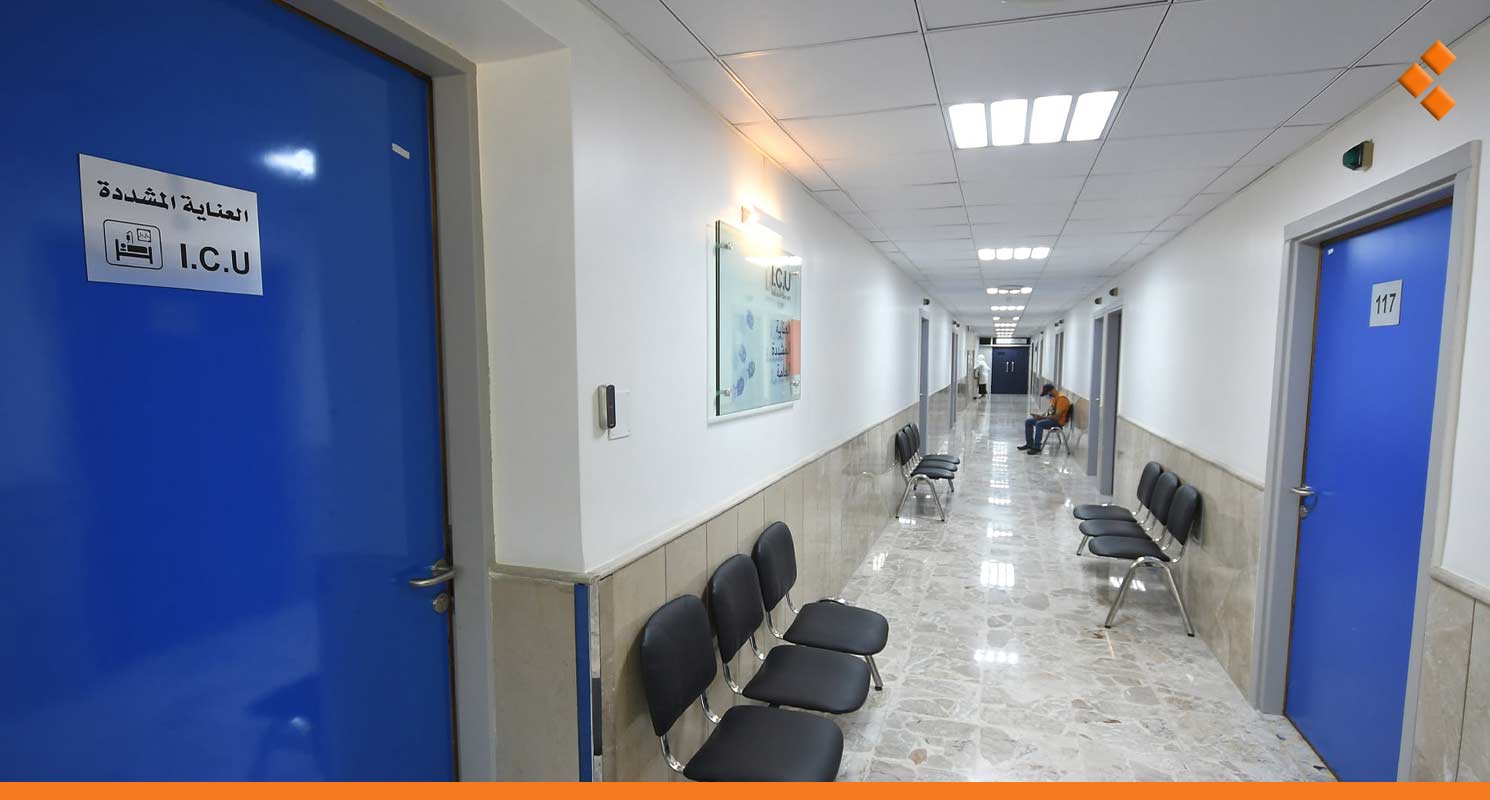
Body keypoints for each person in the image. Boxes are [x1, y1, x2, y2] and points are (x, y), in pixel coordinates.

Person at [1019, 383, 1071, 455]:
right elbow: (1050, 412)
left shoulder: (1061, 399)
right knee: (1028, 422)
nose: (1048, 395)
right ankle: (1029, 444)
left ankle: (1037, 447)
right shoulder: (1054, 398)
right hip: (1051, 419)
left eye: (1048, 393)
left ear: (1052, 391)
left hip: (1058, 422)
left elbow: (1056, 417)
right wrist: (1040, 416)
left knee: (1039, 424)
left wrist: (1042, 418)